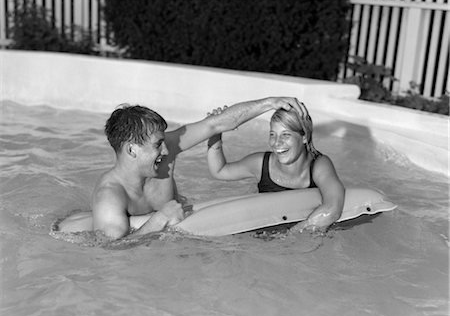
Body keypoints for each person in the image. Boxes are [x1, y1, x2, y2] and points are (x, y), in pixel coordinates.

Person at [58, 97, 303, 239]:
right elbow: (111, 251)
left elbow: (216, 124)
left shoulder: (164, 152)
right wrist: (161, 218)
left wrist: (271, 102)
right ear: (132, 150)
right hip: (74, 233)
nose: (167, 151)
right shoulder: (109, 198)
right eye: (157, 145)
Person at [206, 102, 345, 233]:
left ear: (304, 137)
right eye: (272, 134)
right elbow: (220, 171)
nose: (277, 143)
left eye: (286, 135)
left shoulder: (319, 165)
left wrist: (288, 236)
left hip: (298, 240)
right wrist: (215, 134)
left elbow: (332, 209)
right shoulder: (261, 164)